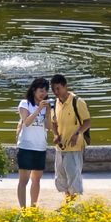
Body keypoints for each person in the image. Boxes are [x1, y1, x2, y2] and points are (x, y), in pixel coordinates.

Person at [50, 74, 91, 198]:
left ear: (65, 86)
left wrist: (77, 134)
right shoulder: (55, 103)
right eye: (53, 89)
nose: (56, 92)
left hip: (74, 146)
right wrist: (56, 135)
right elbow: (53, 122)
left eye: (58, 88)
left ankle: (74, 206)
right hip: (60, 148)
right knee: (61, 178)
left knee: (74, 177)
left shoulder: (77, 102)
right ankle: (68, 203)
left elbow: (87, 122)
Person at [16, 77, 52, 208]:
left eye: (46, 91)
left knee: (36, 180)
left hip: (40, 147)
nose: (44, 94)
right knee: (23, 181)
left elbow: (48, 127)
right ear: (34, 90)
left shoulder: (46, 106)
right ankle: (23, 209)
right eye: (41, 90)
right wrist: (38, 110)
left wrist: (48, 113)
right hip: (26, 146)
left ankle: (33, 207)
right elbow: (27, 122)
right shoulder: (25, 103)